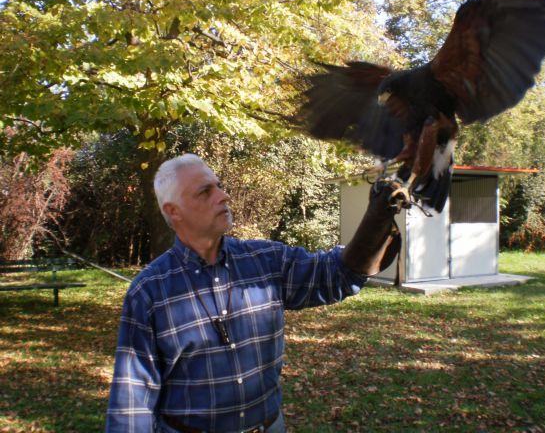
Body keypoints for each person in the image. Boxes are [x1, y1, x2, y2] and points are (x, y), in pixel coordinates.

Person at [106, 153, 403, 433]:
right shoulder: (150, 290)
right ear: (173, 211)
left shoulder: (266, 261)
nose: (224, 196)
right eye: (205, 192)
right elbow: (132, 400)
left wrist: (377, 220)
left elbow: (335, 274)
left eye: (220, 186)